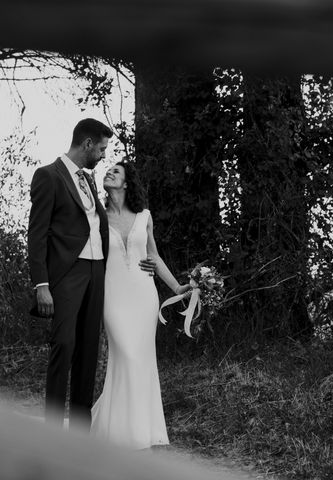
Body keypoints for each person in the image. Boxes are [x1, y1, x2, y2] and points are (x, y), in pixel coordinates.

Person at [27, 119, 155, 431]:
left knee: (88, 350)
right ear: (86, 144)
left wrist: (140, 258)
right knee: (65, 345)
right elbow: (37, 234)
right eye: (100, 148)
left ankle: (81, 432)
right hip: (68, 274)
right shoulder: (49, 176)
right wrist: (41, 284)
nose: (102, 155)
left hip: (98, 273)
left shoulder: (88, 180)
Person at [91, 160, 190, 450]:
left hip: (143, 295)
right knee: (125, 355)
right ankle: (118, 431)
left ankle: (138, 432)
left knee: (140, 360)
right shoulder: (96, 217)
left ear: (126, 183)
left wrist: (176, 287)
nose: (109, 173)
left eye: (116, 171)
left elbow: (154, 256)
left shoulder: (143, 215)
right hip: (113, 295)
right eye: (108, 171)